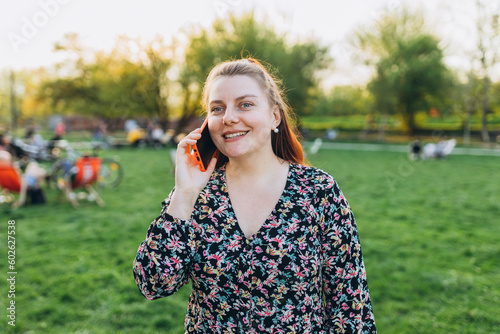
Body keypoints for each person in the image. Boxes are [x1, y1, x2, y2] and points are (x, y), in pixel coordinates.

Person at [133, 58, 377, 333]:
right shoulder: (197, 196)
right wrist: (185, 193)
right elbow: (153, 284)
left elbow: (351, 307)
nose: (228, 117)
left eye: (245, 104)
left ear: (275, 116)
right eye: (217, 108)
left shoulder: (318, 191)